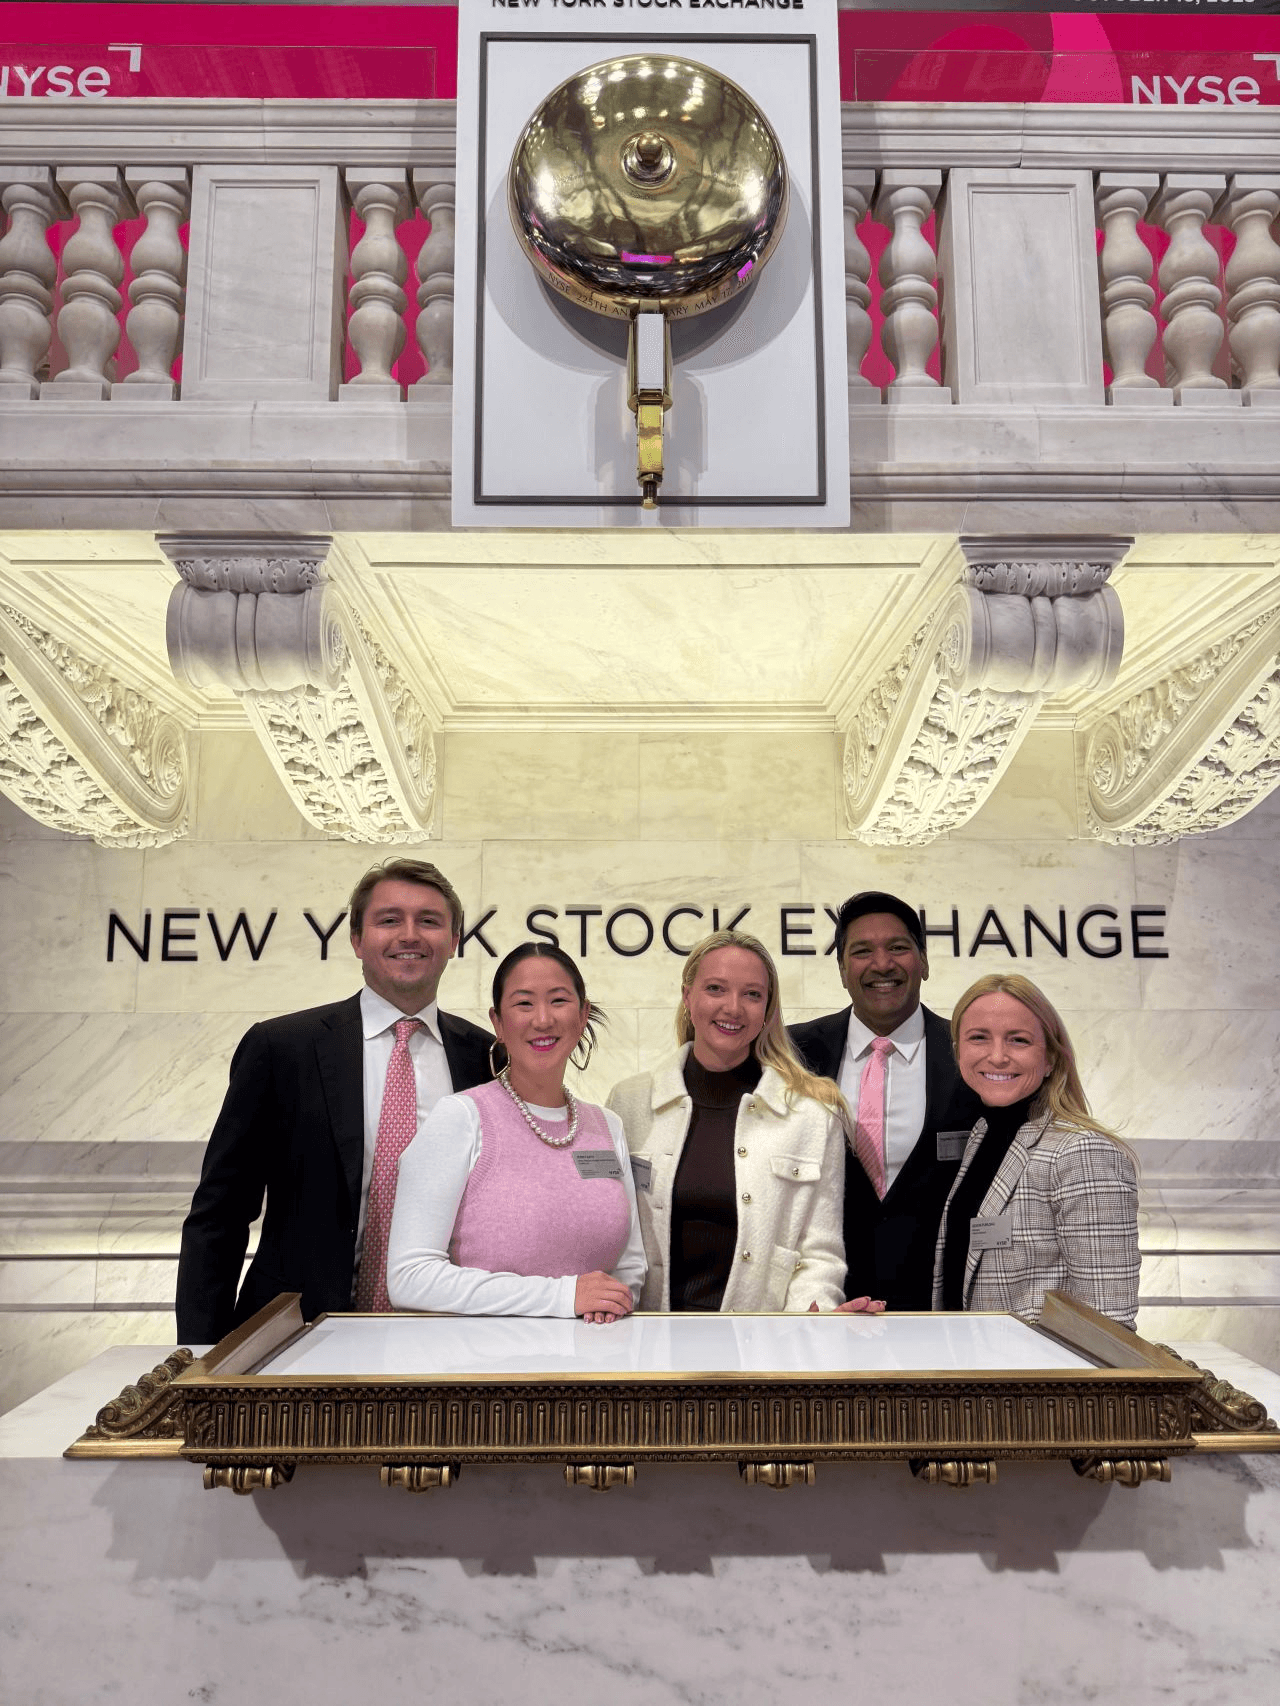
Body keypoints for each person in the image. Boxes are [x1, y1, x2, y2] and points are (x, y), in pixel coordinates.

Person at [175, 858, 492, 1343]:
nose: (409, 934)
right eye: (389, 920)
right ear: (357, 940)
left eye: (429, 921)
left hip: (446, 1338)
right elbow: (221, 1211)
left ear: (454, 941)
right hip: (293, 1339)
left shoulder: (488, 1058)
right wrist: (199, 1351)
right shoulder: (281, 1048)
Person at [607, 929, 862, 1314]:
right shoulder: (627, 1104)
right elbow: (608, 1234)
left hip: (763, 1354)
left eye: (752, 994)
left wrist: (812, 1320)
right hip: (646, 1346)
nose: (733, 1007)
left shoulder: (811, 1115)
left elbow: (820, 1255)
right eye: (715, 989)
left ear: (768, 1011)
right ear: (687, 997)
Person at [387, 944, 645, 1320]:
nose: (542, 1019)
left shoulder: (608, 1126)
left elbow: (630, 1266)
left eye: (558, 1001)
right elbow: (410, 1277)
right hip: (485, 1371)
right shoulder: (461, 1118)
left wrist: (611, 1305)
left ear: (583, 1014)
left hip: (594, 1365)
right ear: (498, 1022)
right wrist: (561, 1297)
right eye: (524, 1004)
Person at [788, 890, 982, 1312]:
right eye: (862, 951)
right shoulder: (792, 1053)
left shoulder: (970, 1054)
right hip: (823, 1311)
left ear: (924, 962)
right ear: (842, 970)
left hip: (945, 1314)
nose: (882, 965)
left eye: (898, 948)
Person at [933, 973, 1140, 1327]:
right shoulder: (982, 1136)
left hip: (1037, 1379)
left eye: (1018, 1040)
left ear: (1050, 1059)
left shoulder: (1082, 1152)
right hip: (967, 1371)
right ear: (958, 1050)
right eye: (979, 1038)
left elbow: (1108, 1325)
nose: (997, 1057)